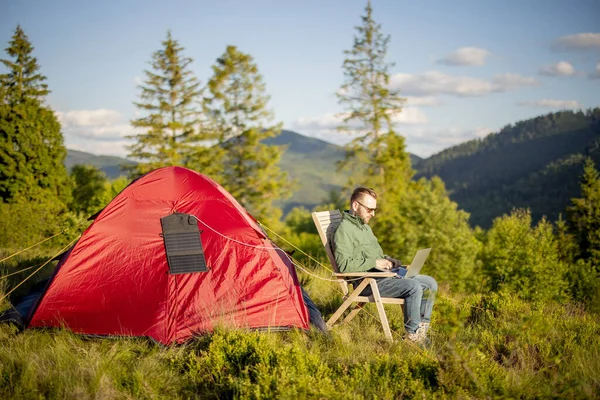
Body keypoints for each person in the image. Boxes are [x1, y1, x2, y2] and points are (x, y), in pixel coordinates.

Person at [332, 186, 437, 345]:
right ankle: (412, 336)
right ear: (355, 206)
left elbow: (376, 256)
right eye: (369, 209)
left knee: (430, 283)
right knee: (413, 286)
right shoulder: (343, 231)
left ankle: (422, 330)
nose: (373, 214)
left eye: (375, 209)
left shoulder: (364, 227)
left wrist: (389, 261)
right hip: (367, 283)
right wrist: (375, 263)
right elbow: (344, 266)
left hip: (381, 275)